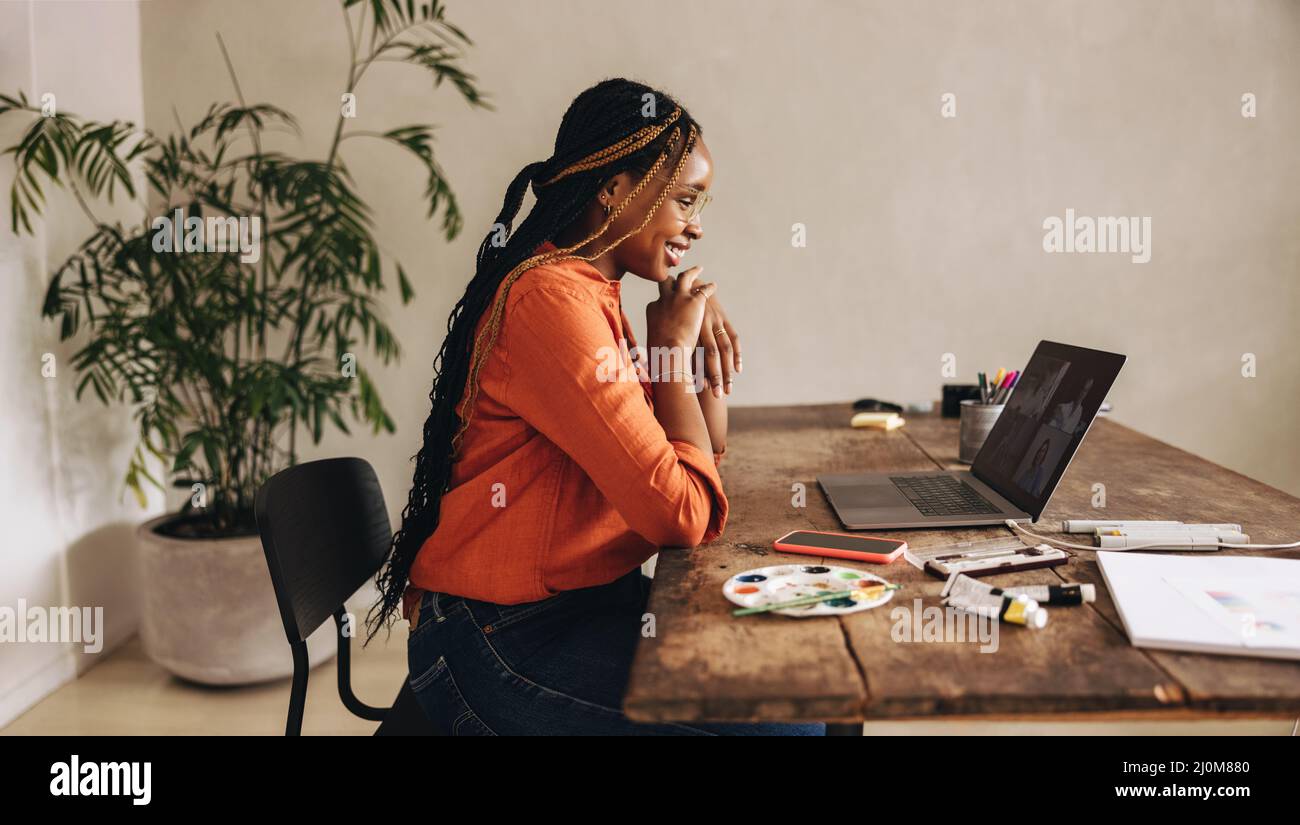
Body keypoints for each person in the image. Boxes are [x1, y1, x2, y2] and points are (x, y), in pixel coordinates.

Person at [367, 78, 822, 736]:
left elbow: (699, 467)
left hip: (581, 609)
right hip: (501, 639)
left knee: (811, 689)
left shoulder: (593, 293)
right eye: (685, 200)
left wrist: (696, 350)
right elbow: (684, 513)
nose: (696, 226)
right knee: (789, 726)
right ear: (613, 188)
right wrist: (669, 346)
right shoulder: (554, 303)